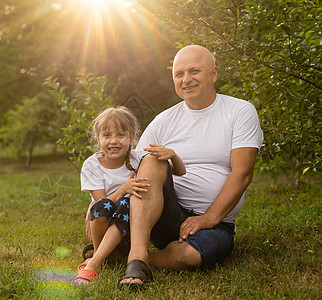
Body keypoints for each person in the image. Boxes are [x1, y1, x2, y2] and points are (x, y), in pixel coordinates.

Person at [119, 45, 264, 288]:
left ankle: (140, 257)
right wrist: (97, 201)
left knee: (190, 256)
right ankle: (137, 257)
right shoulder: (163, 121)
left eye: (194, 71)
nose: (186, 80)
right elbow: (134, 172)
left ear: (214, 73)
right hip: (164, 214)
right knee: (153, 158)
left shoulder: (240, 111)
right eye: (179, 74)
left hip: (216, 224)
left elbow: (243, 173)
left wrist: (208, 218)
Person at [72, 106, 186, 286]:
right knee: (103, 205)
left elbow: (179, 172)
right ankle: (98, 251)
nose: (113, 141)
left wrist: (173, 155)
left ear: (132, 138)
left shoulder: (139, 158)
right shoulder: (91, 165)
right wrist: (123, 189)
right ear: (98, 139)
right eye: (107, 135)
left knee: (127, 202)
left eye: (121, 135)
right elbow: (102, 203)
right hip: (103, 223)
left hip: (131, 224)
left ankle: (95, 262)